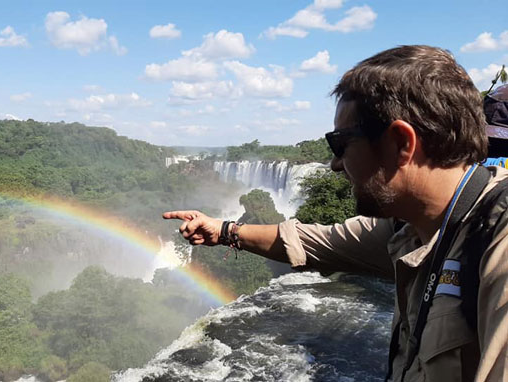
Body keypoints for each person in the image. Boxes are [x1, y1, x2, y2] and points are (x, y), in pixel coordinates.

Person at [163, 46, 508, 382]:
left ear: (401, 143)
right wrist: (223, 231)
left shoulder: (497, 238)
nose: (334, 165)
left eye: (340, 145)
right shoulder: (414, 227)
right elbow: (316, 243)